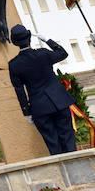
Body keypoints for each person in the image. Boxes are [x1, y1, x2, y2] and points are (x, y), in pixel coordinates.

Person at [8, 23, 77, 155]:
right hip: (59, 102)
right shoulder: (43, 54)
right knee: (68, 139)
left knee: (53, 144)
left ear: (15, 42)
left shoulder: (14, 64)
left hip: (39, 107)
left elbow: (19, 90)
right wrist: (47, 39)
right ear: (30, 38)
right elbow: (63, 53)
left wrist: (26, 111)